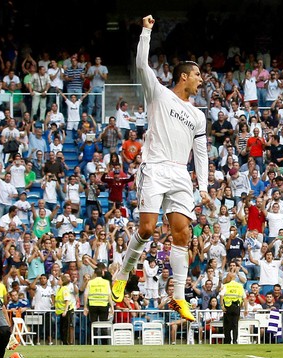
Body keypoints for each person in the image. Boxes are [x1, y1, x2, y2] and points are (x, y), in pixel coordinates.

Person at [111, 15, 210, 323]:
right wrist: (145, 31)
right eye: (197, 76)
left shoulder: (198, 116)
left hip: (181, 174)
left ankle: (179, 296)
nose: (200, 80)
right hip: (155, 168)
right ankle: (123, 272)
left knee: (182, 235)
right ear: (183, 77)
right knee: (147, 230)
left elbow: (202, 152)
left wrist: (203, 187)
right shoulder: (159, 94)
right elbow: (142, 64)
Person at [83, 267, 113, 344]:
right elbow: (109, 295)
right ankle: (104, 343)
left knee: (93, 324)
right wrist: (112, 307)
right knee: (104, 324)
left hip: (93, 305)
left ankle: (94, 342)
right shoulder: (106, 282)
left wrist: (85, 307)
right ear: (102, 274)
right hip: (103, 305)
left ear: (95, 274)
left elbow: (86, 295)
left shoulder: (90, 282)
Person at [220, 270, 245, 344]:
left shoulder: (226, 286)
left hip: (228, 307)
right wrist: (243, 307)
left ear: (229, 277)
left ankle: (227, 340)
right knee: (235, 325)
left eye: (227, 276)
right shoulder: (240, 286)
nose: (226, 278)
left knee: (227, 325)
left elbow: (221, 295)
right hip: (236, 307)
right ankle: (235, 340)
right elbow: (244, 297)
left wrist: (222, 306)